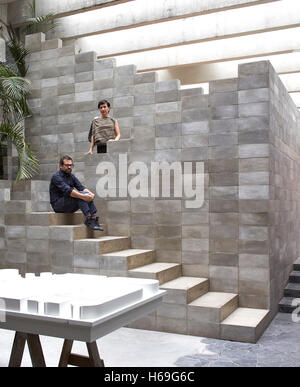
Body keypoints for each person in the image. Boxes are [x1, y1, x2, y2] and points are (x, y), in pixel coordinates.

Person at [49, 155, 103, 231]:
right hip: (58, 205)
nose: (69, 167)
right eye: (67, 165)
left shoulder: (71, 176)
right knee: (79, 196)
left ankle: (93, 218)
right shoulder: (56, 177)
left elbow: (81, 187)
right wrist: (83, 196)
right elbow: (68, 191)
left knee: (83, 194)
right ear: (60, 166)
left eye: (71, 165)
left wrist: (91, 194)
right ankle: (88, 219)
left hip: (68, 203)